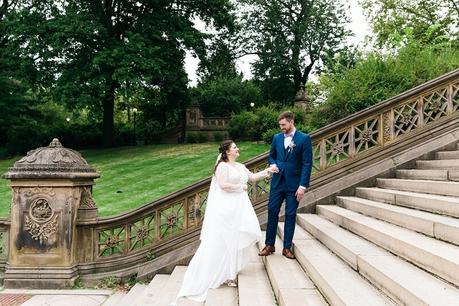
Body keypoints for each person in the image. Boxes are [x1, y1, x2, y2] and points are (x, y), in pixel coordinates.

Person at [173, 140, 275, 304]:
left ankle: (231, 272)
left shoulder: (240, 166)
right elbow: (223, 185)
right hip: (226, 208)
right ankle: (222, 272)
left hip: (240, 207)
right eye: (234, 147)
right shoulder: (222, 167)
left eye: (236, 147)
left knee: (236, 236)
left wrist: (268, 171)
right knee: (225, 239)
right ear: (227, 151)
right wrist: (240, 187)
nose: (237, 149)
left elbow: (252, 177)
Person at [258, 111, 313, 259]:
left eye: (283, 125)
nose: (281, 127)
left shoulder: (304, 139)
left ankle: (287, 247)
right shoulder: (276, 138)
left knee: (290, 214)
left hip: (294, 184)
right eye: (280, 125)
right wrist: (273, 164)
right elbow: (271, 156)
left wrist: (302, 186)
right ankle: (269, 245)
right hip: (277, 182)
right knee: (272, 211)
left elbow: (307, 164)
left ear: (291, 122)